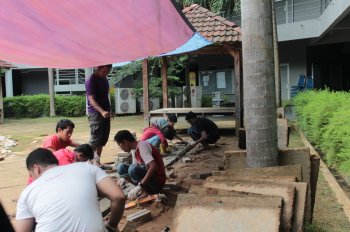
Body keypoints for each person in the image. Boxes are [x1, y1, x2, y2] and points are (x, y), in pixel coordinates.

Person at [16, 148, 125, 232]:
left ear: (36, 168)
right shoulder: (86, 167)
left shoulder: (27, 192)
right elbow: (118, 196)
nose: (32, 179)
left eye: (31, 175)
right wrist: (111, 226)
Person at [114, 130, 166, 200]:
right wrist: (124, 178)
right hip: (150, 181)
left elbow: (153, 167)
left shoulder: (142, 146)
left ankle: (145, 189)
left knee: (132, 169)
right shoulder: (133, 150)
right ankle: (143, 189)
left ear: (125, 142)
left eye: (119, 145)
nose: (120, 148)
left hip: (158, 182)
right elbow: (135, 165)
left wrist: (140, 185)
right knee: (121, 167)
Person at [85, 64, 113, 166]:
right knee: (94, 141)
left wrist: (109, 110)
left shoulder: (104, 79)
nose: (106, 74)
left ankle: (97, 163)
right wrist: (102, 111)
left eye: (108, 71)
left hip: (105, 112)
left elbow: (106, 97)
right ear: (99, 68)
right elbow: (91, 100)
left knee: (102, 140)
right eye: (104, 71)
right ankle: (87, 163)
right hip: (95, 113)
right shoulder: (91, 80)